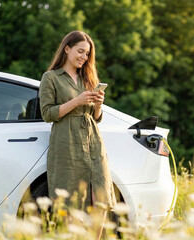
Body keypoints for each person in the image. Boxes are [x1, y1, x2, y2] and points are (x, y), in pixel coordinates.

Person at [39, 31, 116, 213]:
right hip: (67, 143)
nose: (84, 57)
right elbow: (47, 113)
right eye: (80, 51)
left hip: (93, 144)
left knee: (101, 199)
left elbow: (96, 118)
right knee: (69, 201)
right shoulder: (51, 77)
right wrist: (77, 101)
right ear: (67, 49)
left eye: (87, 53)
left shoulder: (88, 78)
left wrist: (98, 105)